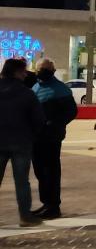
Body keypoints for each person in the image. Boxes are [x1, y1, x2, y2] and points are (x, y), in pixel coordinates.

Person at [1, 58, 46, 227]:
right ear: (16, 72)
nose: (26, 74)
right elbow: (39, 119)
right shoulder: (26, 93)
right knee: (21, 181)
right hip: (21, 142)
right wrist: (31, 135)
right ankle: (25, 216)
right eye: (23, 71)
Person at [31, 58, 76, 219]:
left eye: (46, 69)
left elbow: (71, 112)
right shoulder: (36, 86)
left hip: (51, 137)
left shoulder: (60, 89)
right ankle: (46, 203)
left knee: (50, 171)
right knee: (39, 171)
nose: (42, 72)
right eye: (41, 69)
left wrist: (53, 124)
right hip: (36, 136)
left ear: (52, 71)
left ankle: (53, 205)